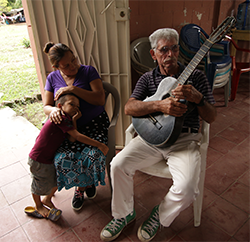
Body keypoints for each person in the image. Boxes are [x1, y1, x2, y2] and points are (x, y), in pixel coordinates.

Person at [100, 28, 217, 241]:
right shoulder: (147, 79)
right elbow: (129, 108)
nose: (170, 55)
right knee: (117, 165)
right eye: (164, 50)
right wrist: (159, 105)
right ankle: (123, 215)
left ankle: (160, 215)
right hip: (150, 139)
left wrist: (198, 98)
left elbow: (212, 117)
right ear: (153, 54)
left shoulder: (196, 77)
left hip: (184, 140)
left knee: (188, 188)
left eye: (174, 49)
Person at [43, 42, 110, 210]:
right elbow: (46, 105)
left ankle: (85, 185)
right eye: (66, 65)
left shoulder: (88, 71)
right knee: (63, 157)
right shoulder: (52, 78)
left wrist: (72, 89)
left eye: (74, 60)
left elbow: (100, 99)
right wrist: (53, 111)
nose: (73, 66)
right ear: (56, 66)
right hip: (69, 128)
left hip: (95, 124)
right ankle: (83, 185)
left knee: (93, 154)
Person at [26, 94, 108, 220]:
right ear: (60, 106)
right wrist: (100, 145)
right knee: (39, 184)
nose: (76, 108)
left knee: (55, 181)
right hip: (39, 159)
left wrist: (74, 120)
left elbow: (71, 138)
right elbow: (77, 136)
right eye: (71, 104)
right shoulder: (61, 117)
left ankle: (47, 199)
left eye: (78, 106)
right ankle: (38, 205)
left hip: (47, 158)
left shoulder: (67, 119)